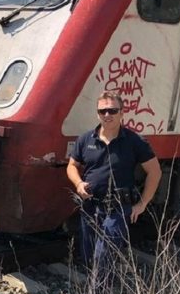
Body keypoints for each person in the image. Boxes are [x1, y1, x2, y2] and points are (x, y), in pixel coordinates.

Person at [67, 91, 161, 273]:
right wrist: (78, 183)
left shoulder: (135, 141)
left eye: (112, 110)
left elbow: (155, 172)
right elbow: (72, 165)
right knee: (88, 257)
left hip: (118, 208)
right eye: (103, 111)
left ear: (122, 113)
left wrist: (142, 204)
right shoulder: (85, 139)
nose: (107, 115)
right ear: (97, 114)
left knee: (102, 257)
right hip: (90, 206)